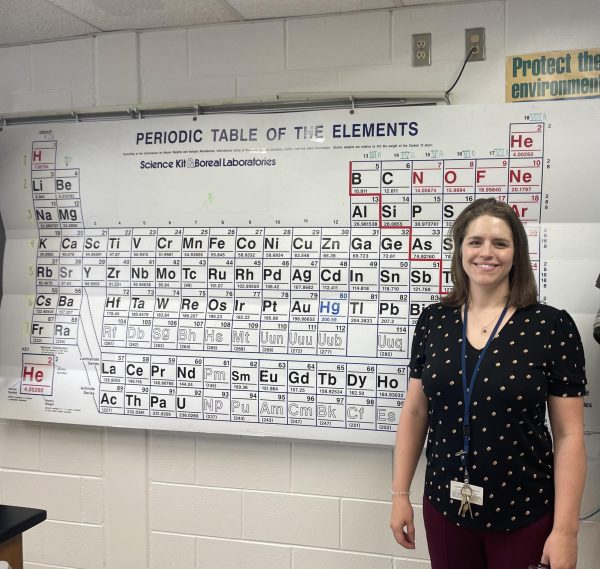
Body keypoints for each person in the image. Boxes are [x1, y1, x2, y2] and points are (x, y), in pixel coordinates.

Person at [390, 198, 587, 569]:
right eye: (475, 241)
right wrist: (400, 494)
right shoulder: (435, 321)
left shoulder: (551, 326)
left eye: (500, 243)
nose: (487, 253)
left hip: (524, 513)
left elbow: (569, 435)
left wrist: (566, 531)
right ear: (460, 249)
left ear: (517, 254)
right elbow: (416, 412)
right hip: (445, 508)